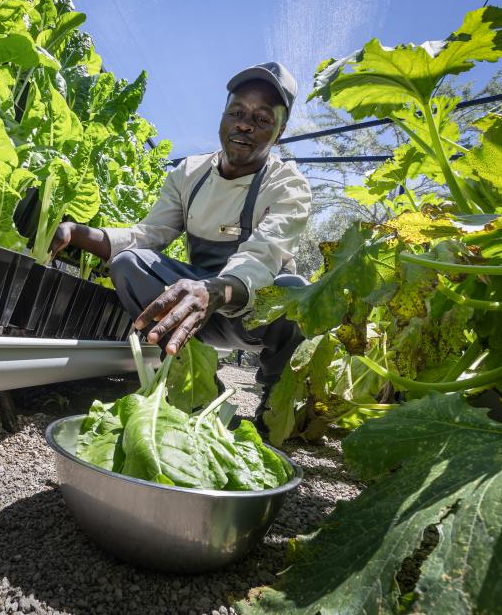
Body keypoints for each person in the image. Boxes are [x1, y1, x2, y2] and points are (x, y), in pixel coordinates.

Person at [51, 62, 312, 428]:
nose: (244, 124)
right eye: (236, 112)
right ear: (223, 116)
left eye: (262, 119)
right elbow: (150, 234)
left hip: (252, 313)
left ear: (280, 131)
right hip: (191, 308)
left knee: (295, 292)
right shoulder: (189, 173)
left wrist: (214, 290)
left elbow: (263, 253)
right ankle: (201, 386)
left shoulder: (288, 185)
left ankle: (275, 404)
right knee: (129, 263)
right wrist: (81, 234)